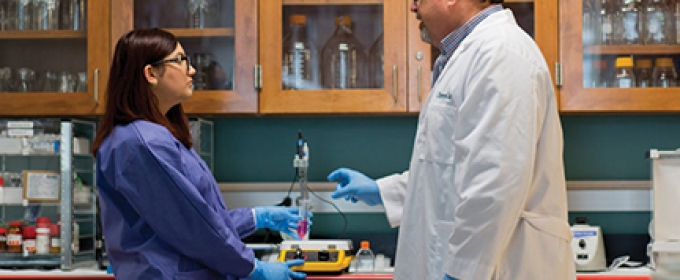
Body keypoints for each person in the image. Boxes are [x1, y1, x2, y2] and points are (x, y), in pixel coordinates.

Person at [327, 1, 575, 280]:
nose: (412, 6)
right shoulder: (471, 54)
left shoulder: (501, 52)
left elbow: (494, 180)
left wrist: (462, 274)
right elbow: (450, 170)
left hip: (505, 267)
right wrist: (382, 191)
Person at [92, 28, 307, 280]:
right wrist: (252, 268)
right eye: (181, 60)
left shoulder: (154, 137)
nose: (191, 70)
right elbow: (195, 229)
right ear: (150, 74)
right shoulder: (144, 144)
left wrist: (256, 217)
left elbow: (199, 218)